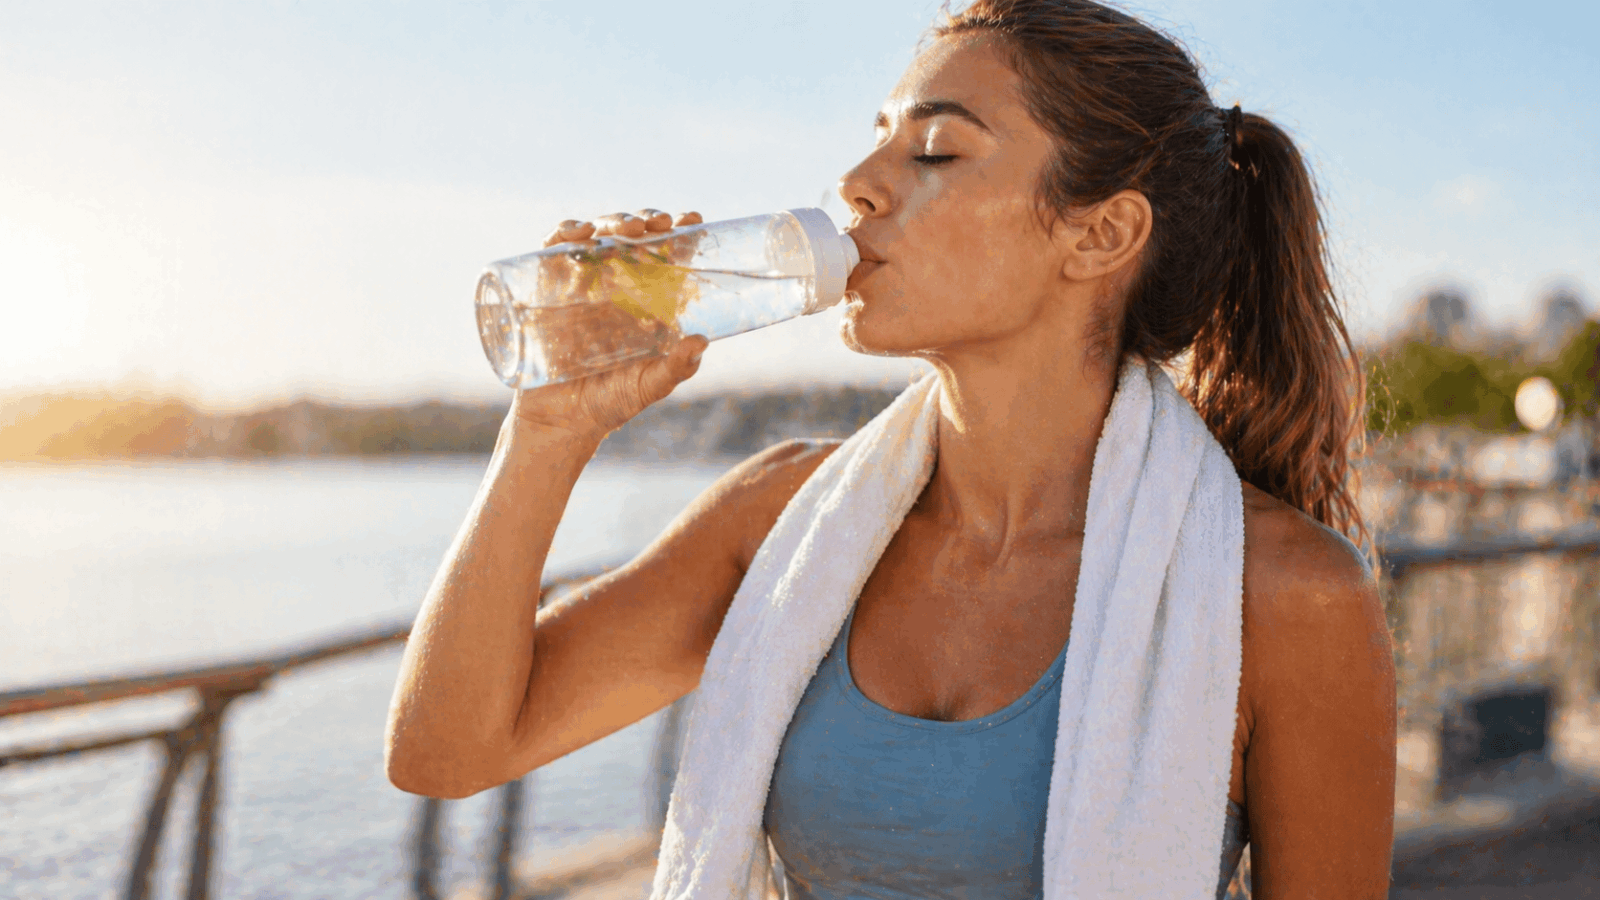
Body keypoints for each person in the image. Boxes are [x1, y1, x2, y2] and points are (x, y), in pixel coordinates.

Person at [385, 0, 1397, 896]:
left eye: (936, 151)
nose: (857, 185)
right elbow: (446, 751)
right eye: (878, 140)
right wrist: (547, 431)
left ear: (1099, 236)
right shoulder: (781, 517)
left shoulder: (1283, 595)